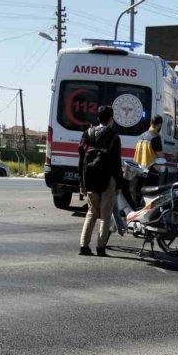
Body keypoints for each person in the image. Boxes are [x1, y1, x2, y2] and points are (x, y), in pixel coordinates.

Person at [78, 106, 124, 257]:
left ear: (98, 118)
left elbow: (81, 159)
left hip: (90, 179)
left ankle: (84, 246)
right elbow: (117, 163)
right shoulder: (114, 137)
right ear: (111, 119)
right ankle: (100, 248)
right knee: (105, 215)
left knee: (91, 213)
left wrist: (82, 183)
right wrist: (119, 184)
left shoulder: (87, 133)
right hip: (108, 180)